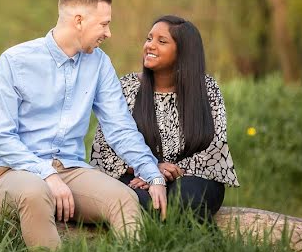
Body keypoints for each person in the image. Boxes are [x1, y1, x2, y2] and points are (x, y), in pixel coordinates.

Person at [0, 0, 168, 250]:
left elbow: (120, 128)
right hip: (17, 172)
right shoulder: (15, 61)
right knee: (35, 194)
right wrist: (47, 175)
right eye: (103, 24)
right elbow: (1, 138)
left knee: (125, 199)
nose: (108, 33)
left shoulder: (99, 64)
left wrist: (152, 174)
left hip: (71, 170)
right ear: (79, 20)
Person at [90, 15, 239, 221]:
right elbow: (104, 150)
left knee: (187, 199)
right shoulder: (126, 87)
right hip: (135, 176)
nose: (150, 45)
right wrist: (150, 169)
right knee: (143, 203)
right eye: (149, 38)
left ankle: (203, 248)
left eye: (162, 41)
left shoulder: (207, 89)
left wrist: (171, 173)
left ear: (184, 52)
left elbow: (215, 147)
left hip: (193, 177)